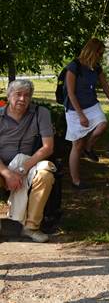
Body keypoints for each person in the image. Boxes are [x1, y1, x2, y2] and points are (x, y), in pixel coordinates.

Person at [0, 80, 55, 242]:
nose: (22, 99)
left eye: (26, 95)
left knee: (45, 174)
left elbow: (48, 147)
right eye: (18, 94)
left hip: (29, 164)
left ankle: (31, 227)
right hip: (2, 166)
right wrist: (7, 173)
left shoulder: (41, 113)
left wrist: (22, 169)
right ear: (9, 96)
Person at [64, 38, 109, 189]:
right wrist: (81, 115)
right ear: (92, 51)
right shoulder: (74, 66)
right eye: (99, 54)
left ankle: (88, 148)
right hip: (74, 109)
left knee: (102, 124)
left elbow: (106, 86)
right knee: (76, 144)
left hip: (92, 104)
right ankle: (76, 181)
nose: (101, 57)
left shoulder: (96, 67)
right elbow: (71, 93)